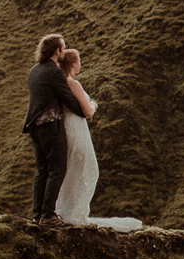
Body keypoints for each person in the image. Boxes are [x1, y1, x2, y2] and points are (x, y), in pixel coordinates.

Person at [54, 47, 141, 231]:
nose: (80, 64)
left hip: (67, 127)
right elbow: (87, 111)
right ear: (73, 64)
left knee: (73, 169)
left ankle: (65, 210)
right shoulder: (73, 83)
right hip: (77, 128)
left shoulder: (61, 82)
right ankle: (75, 214)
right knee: (89, 169)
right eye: (79, 61)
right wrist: (93, 104)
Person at [20, 32, 85, 223]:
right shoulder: (54, 71)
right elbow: (68, 98)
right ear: (58, 50)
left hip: (34, 127)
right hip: (51, 125)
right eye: (63, 48)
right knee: (57, 169)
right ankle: (48, 215)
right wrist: (84, 112)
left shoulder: (35, 70)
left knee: (42, 171)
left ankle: (37, 215)